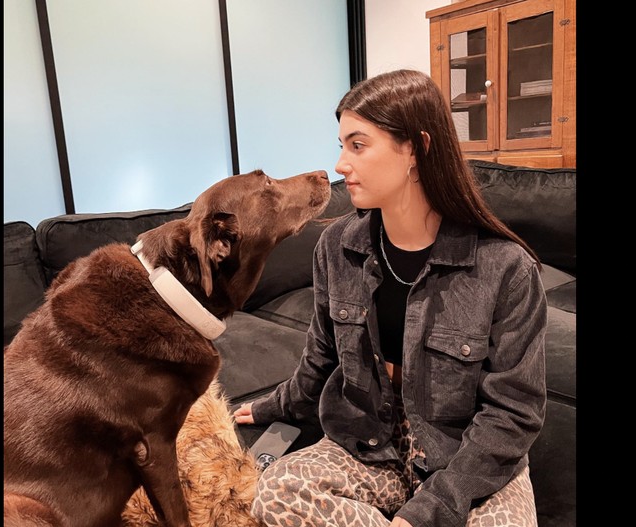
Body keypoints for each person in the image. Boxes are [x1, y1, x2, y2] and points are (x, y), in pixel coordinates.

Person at [234, 69, 547, 527]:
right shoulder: (337, 247)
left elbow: (513, 414)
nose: (340, 165)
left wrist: (429, 511)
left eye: (357, 145)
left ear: (416, 149)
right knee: (276, 491)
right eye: (341, 145)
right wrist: (274, 406)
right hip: (371, 442)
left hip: (466, 457)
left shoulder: (506, 268)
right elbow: (321, 357)